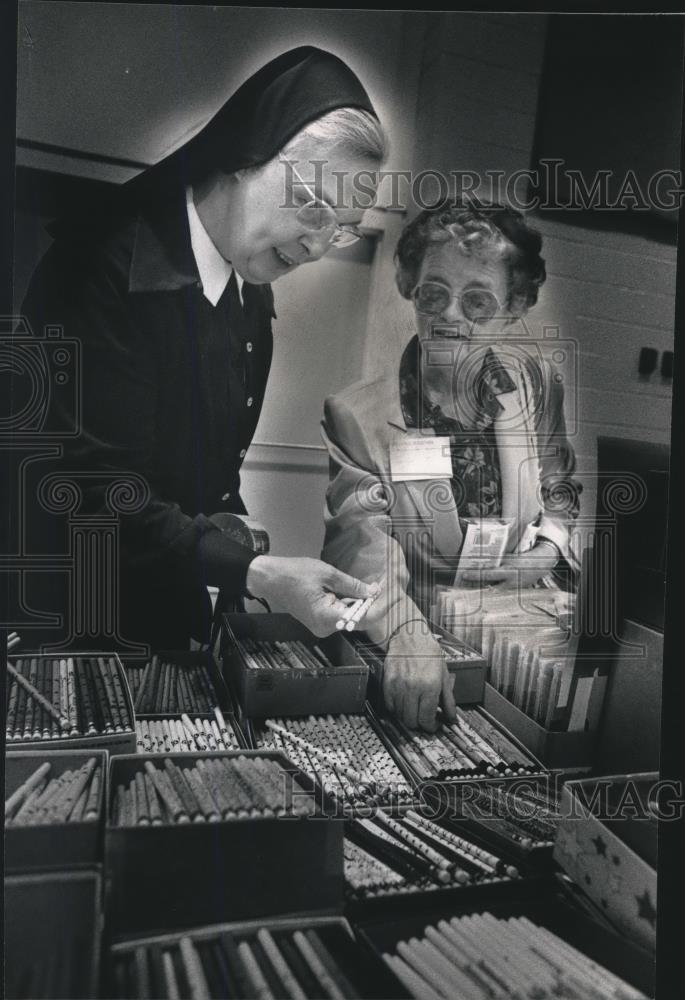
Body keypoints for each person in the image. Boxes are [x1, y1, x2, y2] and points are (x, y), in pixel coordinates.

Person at [19, 46, 389, 649]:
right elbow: (93, 489)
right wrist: (258, 571)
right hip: (67, 630)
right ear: (245, 155)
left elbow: (206, 479)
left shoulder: (250, 300)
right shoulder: (98, 270)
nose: (320, 245)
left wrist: (242, 548)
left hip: (163, 618)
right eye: (312, 206)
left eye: (341, 227)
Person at [321, 200, 581, 731]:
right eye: (434, 293)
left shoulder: (535, 388)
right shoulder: (360, 412)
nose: (450, 316)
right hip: (417, 648)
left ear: (515, 306)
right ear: (409, 287)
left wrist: (547, 550)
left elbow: (559, 484)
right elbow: (360, 542)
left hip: (517, 650)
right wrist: (404, 630)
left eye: (479, 300)